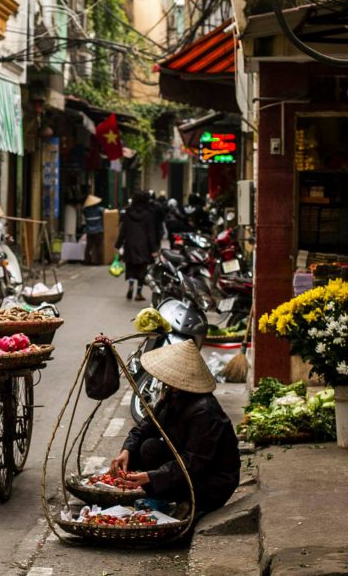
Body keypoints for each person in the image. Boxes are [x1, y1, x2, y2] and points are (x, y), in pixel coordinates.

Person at [109, 340, 241, 514]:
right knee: (148, 447)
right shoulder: (173, 396)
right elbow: (146, 426)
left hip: (212, 481)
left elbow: (194, 463)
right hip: (188, 464)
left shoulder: (205, 410)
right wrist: (126, 450)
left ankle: (190, 502)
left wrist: (152, 477)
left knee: (155, 466)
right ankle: (167, 497)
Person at [115, 190, 158, 301]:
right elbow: (151, 233)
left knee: (130, 267)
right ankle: (138, 293)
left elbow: (123, 230)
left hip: (130, 244)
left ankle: (130, 286)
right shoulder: (149, 214)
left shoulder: (128, 212)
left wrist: (118, 244)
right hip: (143, 245)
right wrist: (154, 249)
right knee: (142, 270)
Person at [82, 194, 105, 265]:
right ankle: (99, 261)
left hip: (89, 231)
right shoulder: (99, 209)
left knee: (88, 247)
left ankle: (87, 261)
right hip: (98, 231)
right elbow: (105, 211)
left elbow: (83, 210)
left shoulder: (86, 211)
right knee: (99, 246)